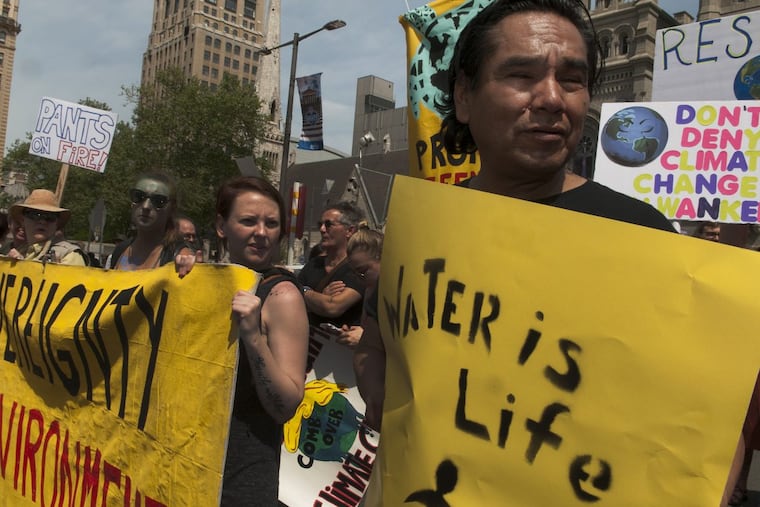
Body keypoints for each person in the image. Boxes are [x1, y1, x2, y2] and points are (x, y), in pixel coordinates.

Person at [435, 1, 744, 505]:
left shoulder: (643, 235)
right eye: (522, 74)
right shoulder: (425, 229)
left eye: (573, 80)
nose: (552, 97)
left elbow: (704, 422)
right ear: (465, 96)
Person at [214, 176, 308, 505]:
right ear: (221, 226)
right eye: (248, 221)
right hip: (187, 468)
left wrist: (253, 337)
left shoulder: (281, 295)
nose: (261, 232)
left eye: (271, 223)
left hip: (242, 480)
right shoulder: (205, 280)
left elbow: (285, 406)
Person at [297, 202, 366, 346]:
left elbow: (333, 307)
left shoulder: (358, 267)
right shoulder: (314, 264)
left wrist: (304, 292)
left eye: (329, 224)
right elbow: (293, 302)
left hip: (340, 356)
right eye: (320, 224)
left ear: (349, 231)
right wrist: (318, 294)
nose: (322, 229)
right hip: (308, 350)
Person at [107, 172, 194, 276]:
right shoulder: (120, 251)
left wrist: (188, 262)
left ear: (172, 208)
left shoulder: (178, 256)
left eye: (158, 201)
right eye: (138, 196)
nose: (146, 206)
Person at [346, 227, 385, 430]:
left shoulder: (388, 293)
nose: (360, 278)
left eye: (363, 271)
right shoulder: (371, 292)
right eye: (355, 273)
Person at [6, 189, 87, 265]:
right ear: (23, 220)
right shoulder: (20, 251)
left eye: (50, 216)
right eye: (34, 215)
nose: (42, 221)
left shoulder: (68, 255)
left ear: (57, 223)